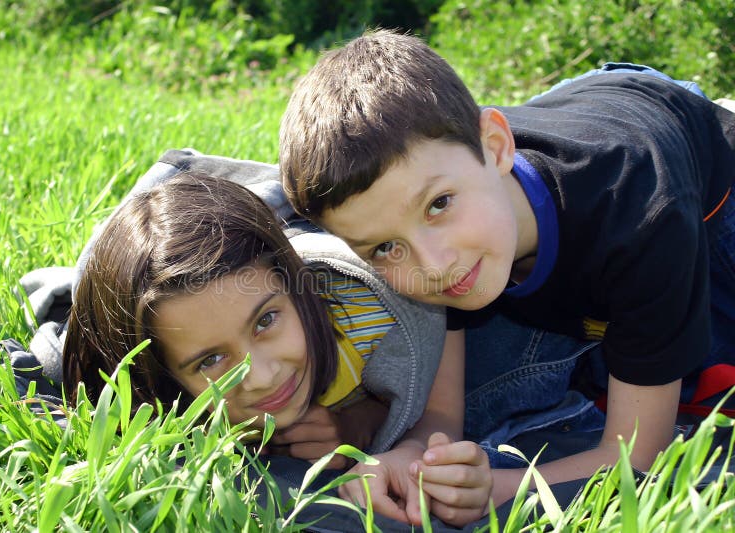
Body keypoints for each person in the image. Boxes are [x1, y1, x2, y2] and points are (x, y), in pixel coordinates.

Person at [279, 29, 735, 508]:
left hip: (688, 157)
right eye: (385, 248)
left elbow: (638, 458)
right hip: (576, 109)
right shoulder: (451, 217)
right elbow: (440, 417)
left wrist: (497, 488)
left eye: (439, 205)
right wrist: (410, 459)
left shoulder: (642, 215)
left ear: (496, 147)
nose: (434, 265)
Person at [62, 168, 493, 526]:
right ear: (164, 376)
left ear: (296, 288)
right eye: (211, 360)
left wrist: (361, 426)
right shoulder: (155, 404)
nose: (263, 375)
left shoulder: (376, 311)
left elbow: (438, 397)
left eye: (266, 321)